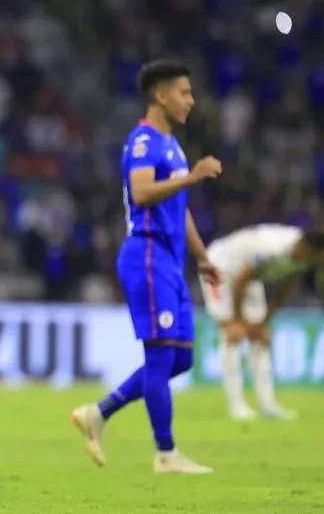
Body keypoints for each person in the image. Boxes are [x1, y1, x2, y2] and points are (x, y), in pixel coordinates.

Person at [69, 60, 223, 474]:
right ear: (161, 95)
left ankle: (99, 413)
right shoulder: (143, 141)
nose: (191, 101)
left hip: (171, 261)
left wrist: (203, 256)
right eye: (185, 92)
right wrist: (191, 178)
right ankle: (166, 452)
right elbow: (141, 193)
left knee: (182, 360)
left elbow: (179, 207)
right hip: (147, 255)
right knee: (159, 358)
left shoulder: (173, 146)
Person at [200, 224, 324, 421]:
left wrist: (264, 323)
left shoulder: (304, 257)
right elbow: (240, 279)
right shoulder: (273, 248)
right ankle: (236, 405)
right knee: (232, 334)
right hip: (219, 266)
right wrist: (238, 321)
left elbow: (285, 287)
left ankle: (268, 404)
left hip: (249, 277)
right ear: (306, 249)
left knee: (260, 338)